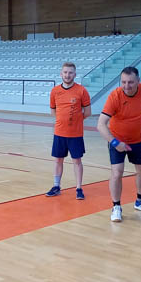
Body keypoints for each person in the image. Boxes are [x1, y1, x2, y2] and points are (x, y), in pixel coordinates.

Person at [97, 66, 141, 222]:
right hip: (117, 140)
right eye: (123, 82)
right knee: (117, 173)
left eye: (130, 82)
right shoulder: (114, 96)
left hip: (138, 139)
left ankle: (140, 201)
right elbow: (101, 124)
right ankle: (116, 206)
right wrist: (115, 142)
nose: (126, 86)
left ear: (138, 81)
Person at [46, 62, 92, 200]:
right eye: (65, 72)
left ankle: (79, 188)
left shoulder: (81, 91)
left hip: (75, 134)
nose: (67, 75)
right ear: (61, 74)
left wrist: (75, 120)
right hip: (59, 133)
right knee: (58, 160)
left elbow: (87, 112)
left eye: (70, 72)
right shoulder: (55, 91)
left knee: (77, 161)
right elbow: (53, 111)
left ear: (75, 74)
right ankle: (56, 186)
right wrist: (63, 121)